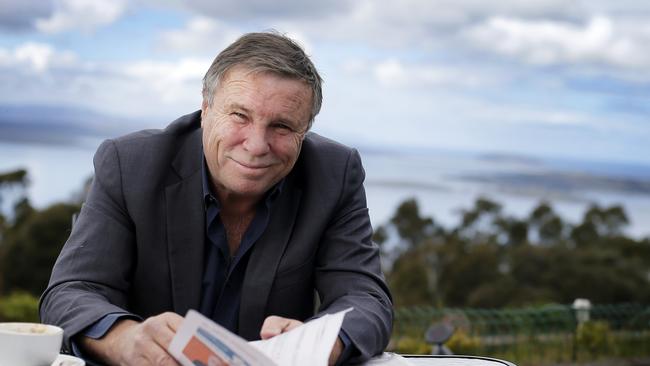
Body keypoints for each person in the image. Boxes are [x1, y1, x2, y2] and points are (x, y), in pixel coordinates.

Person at [40, 32, 392, 365]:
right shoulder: (129, 164)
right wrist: (125, 340)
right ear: (206, 108)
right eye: (240, 115)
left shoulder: (334, 173)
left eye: (282, 126)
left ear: (305, 130)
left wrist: (319, 344)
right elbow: (71, 292)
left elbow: (366, 299)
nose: (256, 145)